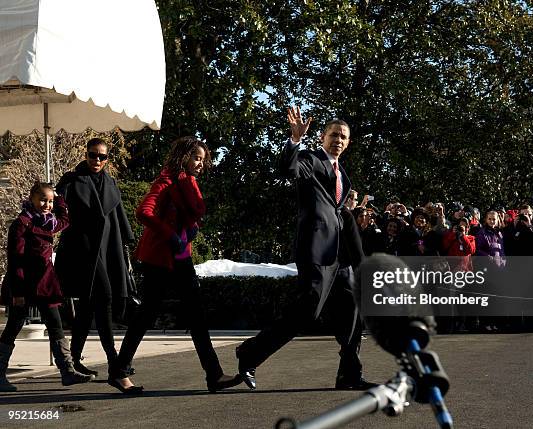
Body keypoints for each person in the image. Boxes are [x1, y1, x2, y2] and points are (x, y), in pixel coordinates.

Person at [235, 107, 373, 391]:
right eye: (333, 134)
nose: (338, 139)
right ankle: (250, 354)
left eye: (343, 137)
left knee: (351, 311)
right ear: (323, 137)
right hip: (315, 250)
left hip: (339, 258)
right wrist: (294, 141)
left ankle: (349, 373)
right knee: (307, 311)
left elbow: (339, 214)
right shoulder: (310, 160)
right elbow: (288, 168)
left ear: (348, 143)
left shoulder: (342, 175)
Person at [109, 136, 241, 394]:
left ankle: (214, 376)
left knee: (197, 316)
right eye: (196, 158)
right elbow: (143, 212)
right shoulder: (166, 181)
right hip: (159, 259)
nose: (200, 164)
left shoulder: (188, 183)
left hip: (181, 258)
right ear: (183, 157)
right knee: (146, 316)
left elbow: (191, 213)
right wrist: (170, 234)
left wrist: (189, 229)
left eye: (203, 159)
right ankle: (118, 372)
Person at [54, 138, 135, 382]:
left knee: (88, 308)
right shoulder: (71, 180)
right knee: (105, 299)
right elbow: (58, 210)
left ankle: (74, 361)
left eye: (102, 156)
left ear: (107, 159)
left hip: (107, 248)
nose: (96, 160)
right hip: (83, 250)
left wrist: (127, 244)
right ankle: (115, 363)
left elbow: (118, 215)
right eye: (92, 155)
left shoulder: (110, 182)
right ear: (86, 154)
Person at [0, 182, 93, 391]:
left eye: (49, 201)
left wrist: (59, 197)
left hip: (46, 284)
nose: (46, 205)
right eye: (43, 199)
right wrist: (18, 292)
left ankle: (67, 371)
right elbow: (15, 260)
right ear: (32, 197)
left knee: (55, 325)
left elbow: (65, 220)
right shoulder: (22, 223)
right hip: (24, 284)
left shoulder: (48, 222)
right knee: (14, 326)